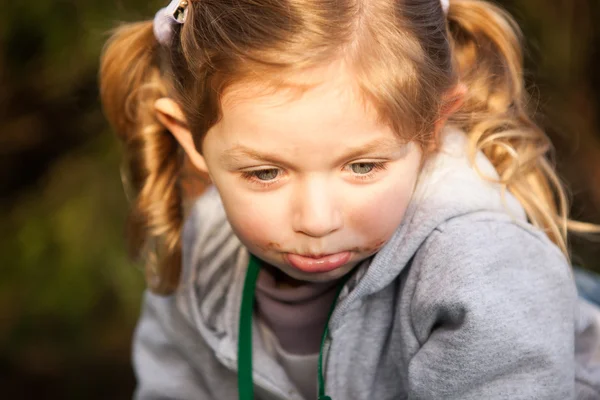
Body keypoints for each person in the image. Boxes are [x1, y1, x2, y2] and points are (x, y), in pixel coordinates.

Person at [99, 0, 600, 398]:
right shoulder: (201, 250)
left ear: (432, 126)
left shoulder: (481, 268)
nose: (317, 221)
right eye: (265, 172)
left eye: (362, 166)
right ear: (190, 140)